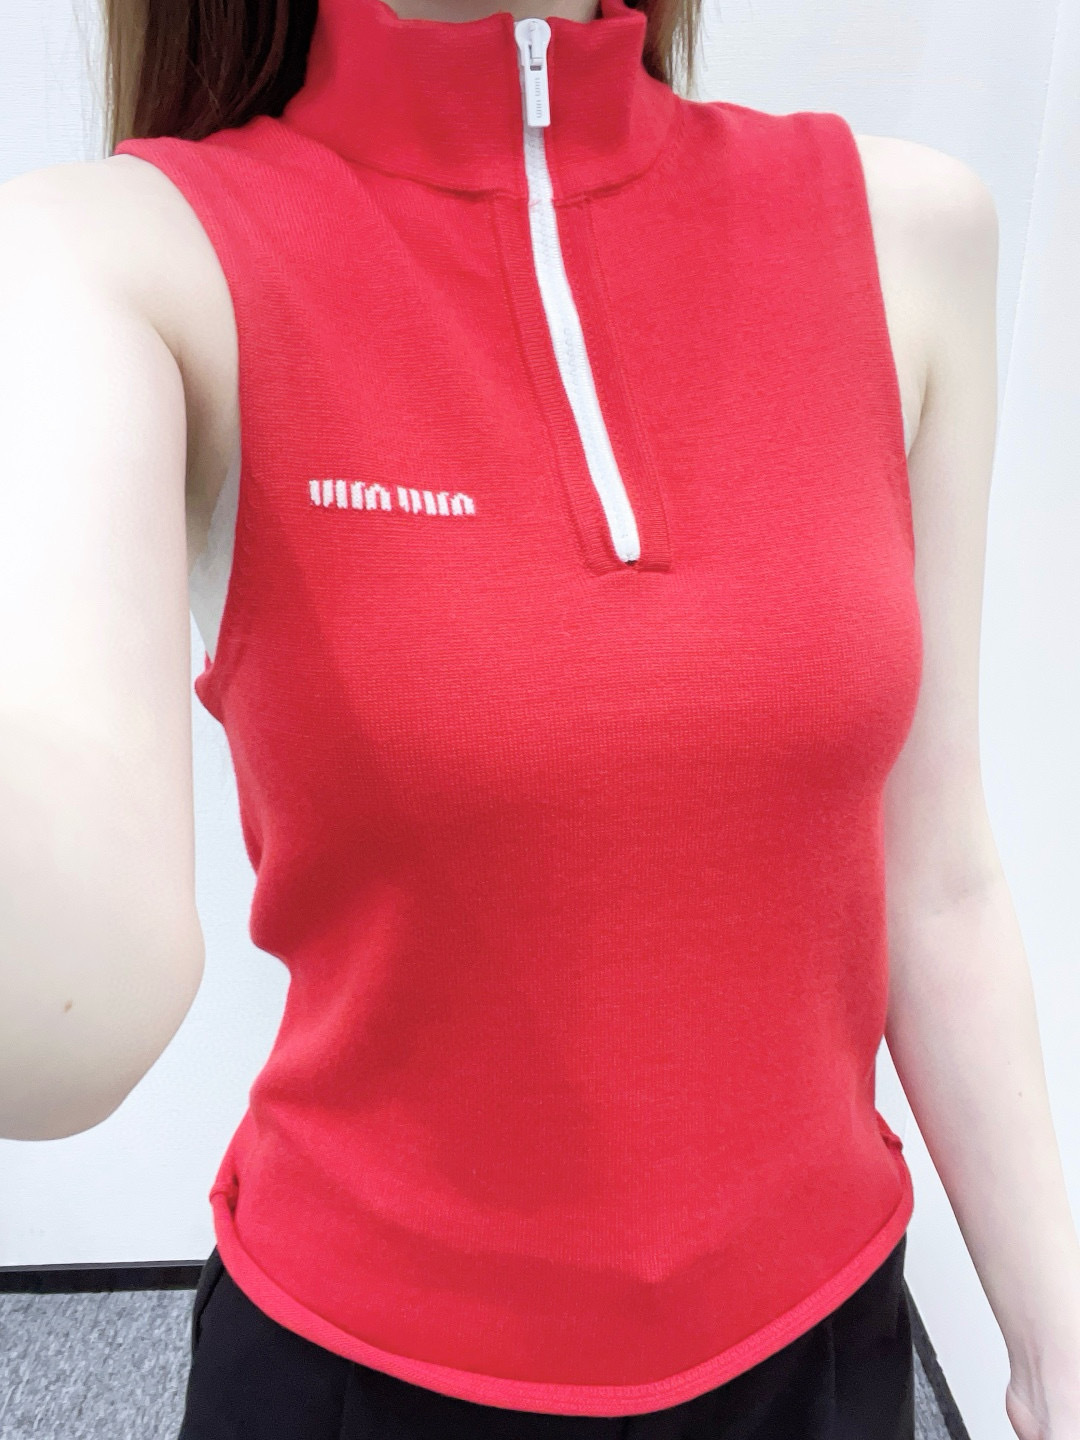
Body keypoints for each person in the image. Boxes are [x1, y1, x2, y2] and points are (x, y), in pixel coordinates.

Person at [2, 0, 1077, 1436]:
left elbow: (936, 873)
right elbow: (69, 1021)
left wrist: (1055, 1350)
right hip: (364, 1369)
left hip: (821, 1351)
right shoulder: (116, 256)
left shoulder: (908, 233)